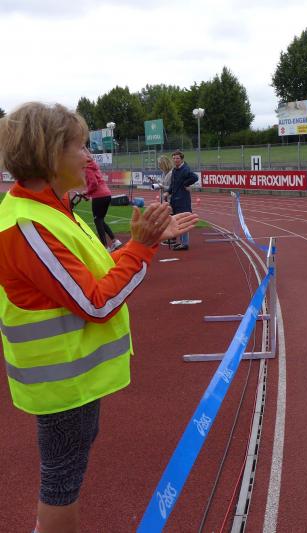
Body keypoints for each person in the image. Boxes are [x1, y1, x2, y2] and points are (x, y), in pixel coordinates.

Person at [0, 102, 199, 533]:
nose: (89, 157)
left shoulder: (52, 210)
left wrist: (144, 242)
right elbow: (96, 303)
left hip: (73, 377)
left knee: (66, 474)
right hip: (62, 384)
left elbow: (99, 275)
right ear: (50, 154)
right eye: (80, 146)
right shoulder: (28, 225)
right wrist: (141, 248)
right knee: (61, 483)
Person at [83, 157, 122, 251]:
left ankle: (105, 247)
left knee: (97, 220)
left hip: (99, 197)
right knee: (100, 220)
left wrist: (87, 193)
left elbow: (94, 183)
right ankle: (115, 241)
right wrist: (88, 194)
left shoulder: (88, 168)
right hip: (107, 195)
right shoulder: (95, 167)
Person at [167, 149, 198, 251]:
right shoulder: (175, 170)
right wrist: (168, 192)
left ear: (181, 159)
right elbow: (173, 184)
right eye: (174, 158)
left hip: (183, 199)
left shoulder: (185, 169)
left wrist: (186, 184)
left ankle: (184, 243)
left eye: (177, 158)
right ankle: (181, 242)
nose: (175, 160)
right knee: (178, 221)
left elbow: (195, 177)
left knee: (183, 221)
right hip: (175, 199)